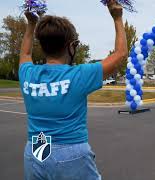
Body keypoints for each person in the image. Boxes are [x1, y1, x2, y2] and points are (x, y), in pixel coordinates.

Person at [19, 0, 127, 179]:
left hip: (35, 150)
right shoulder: (79, 75)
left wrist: (31, 24)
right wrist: (117, 17)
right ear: (71, 46)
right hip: (70, 151)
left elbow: (25, 54)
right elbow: (120, 54)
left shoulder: (28, 74)